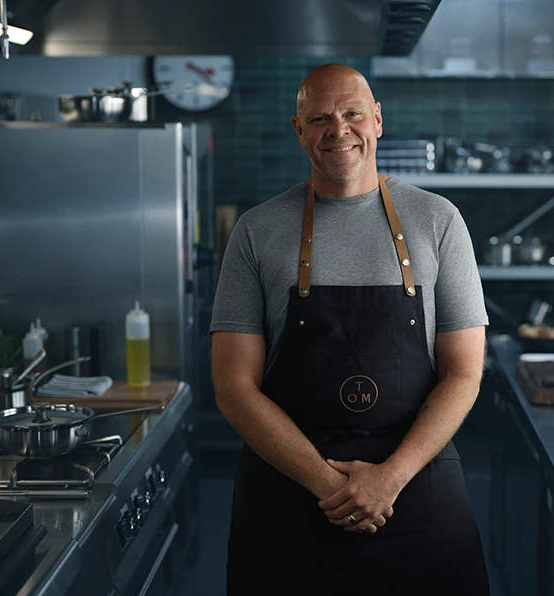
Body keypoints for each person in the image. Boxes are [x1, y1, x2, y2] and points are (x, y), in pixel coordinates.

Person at [210, 63, 491, 595]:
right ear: (299, 130)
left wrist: (388, 479)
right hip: (291, 502)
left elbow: (464, 374)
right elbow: (233, 388)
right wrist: (330, 486)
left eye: (352, 114)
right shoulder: (257, 231)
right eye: (319, 118)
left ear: (377, 120)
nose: (338, 130)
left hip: (415, 493)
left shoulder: (438, 221)